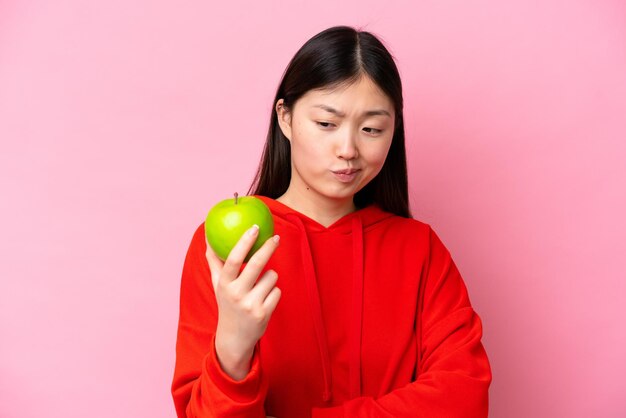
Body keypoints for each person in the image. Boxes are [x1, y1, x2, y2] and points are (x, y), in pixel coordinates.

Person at [171, 25, 492, 418]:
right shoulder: (228, 246)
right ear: (285, 118)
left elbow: (464, 397)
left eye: (372, 129)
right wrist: (233, 349)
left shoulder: (420, 248)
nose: (348, 150)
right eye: (326, 124)